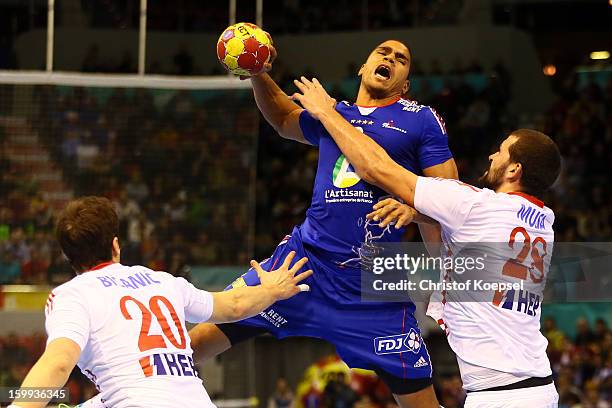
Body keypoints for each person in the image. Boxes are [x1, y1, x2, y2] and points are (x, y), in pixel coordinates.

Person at [190, 39, 457, 408]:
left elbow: (453, 197)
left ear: (405, 84)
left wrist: (414, 210)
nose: (390, 58)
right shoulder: (336, 112)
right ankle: (124, 394)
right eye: (382, 52)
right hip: (302, 265)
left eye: (401, 59)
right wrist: (258, 73)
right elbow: (284, 119)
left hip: (372, 284)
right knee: (194, 344)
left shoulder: (420, 119)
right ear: (362, 68)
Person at [288, 76, 562, 407]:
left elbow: (376, 168)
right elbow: (473, 234)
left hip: (501, 397)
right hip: (538, 388)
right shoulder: (543, 222)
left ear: (514, 169)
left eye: (501, 151)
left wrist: (327, 113)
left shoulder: (473, 204)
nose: (492, 156)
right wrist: (417, 213)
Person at [8, 196, 312, 408]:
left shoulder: (71, 295)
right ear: (115, 245)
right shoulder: (162, 280)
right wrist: (272, 290)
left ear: (67, 257)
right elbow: (232, 307)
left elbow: (59, 363)